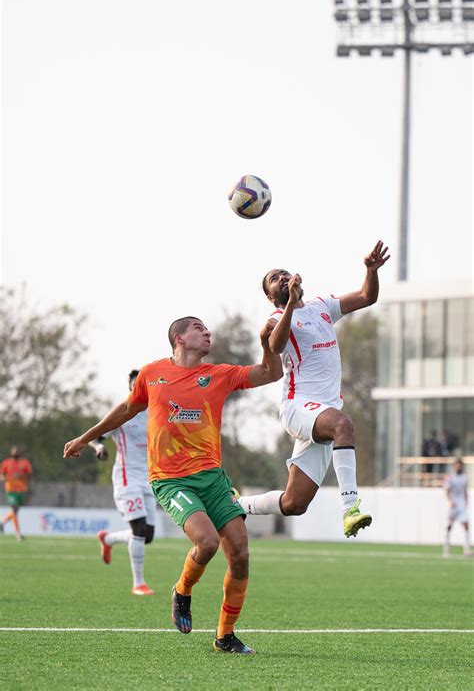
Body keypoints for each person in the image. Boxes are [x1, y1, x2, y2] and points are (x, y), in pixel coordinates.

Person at [64, 315, 282, 654]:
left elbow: (272, 373)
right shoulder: (152, 374)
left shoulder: (219, 374)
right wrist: (85, 437)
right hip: (170, 479)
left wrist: (269, 343)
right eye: (198, 328)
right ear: (178, 338)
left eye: (208, 329)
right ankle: (182, 591)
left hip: (213, 478)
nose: (207, 332)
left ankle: (225, 636)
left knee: (240, 553)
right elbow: (125, 409)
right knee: (207, 542)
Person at [238, 240, 390, 537]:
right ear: (271, 297)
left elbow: (365, 296)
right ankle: (351, 509)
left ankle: (237, 504)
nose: (282, 277)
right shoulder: (274, 320)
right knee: (343, 425)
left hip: (322, 413)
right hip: (299, 407)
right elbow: (276, 345)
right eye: (274, 278)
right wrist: (290, 306)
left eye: (284, 273)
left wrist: (371, 271)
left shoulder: (322, 306)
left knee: (295, 503)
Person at [89, 369, 156, 596]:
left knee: (147, 536)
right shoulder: (123, 413)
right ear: (130, 387)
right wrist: (99, 447)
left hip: (150, 479)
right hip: (127, 479)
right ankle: (139, 583)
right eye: (136, 384)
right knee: (138, 529)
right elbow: (96, 437)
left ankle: (107, 538)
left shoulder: (156, 412)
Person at [0, 446, 33, 541]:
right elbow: (1, 475)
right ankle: (18, 534)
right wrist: (4, 478)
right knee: (14, 510)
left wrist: (21, 475)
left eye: (17, 452)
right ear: (11, 453)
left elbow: (29, 474)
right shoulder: (6, 463)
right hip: (10, 490)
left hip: (22, 489)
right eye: (14, 452)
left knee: (16, 511)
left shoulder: (24, 463)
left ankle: (2, 522)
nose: (15, 453)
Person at [443, 458, 472, 557]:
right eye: (457, 465)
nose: (459, 467)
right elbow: (447, 491)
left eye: (460, 465)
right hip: (453, 506)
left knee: (466, 525)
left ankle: (467, 549)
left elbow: (464, 491)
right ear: (454, 466)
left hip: (462, 505)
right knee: (449, 526)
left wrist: (466, 501)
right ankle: (446, 548)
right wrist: (450, 501)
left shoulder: (465, 478)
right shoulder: (450, 478)